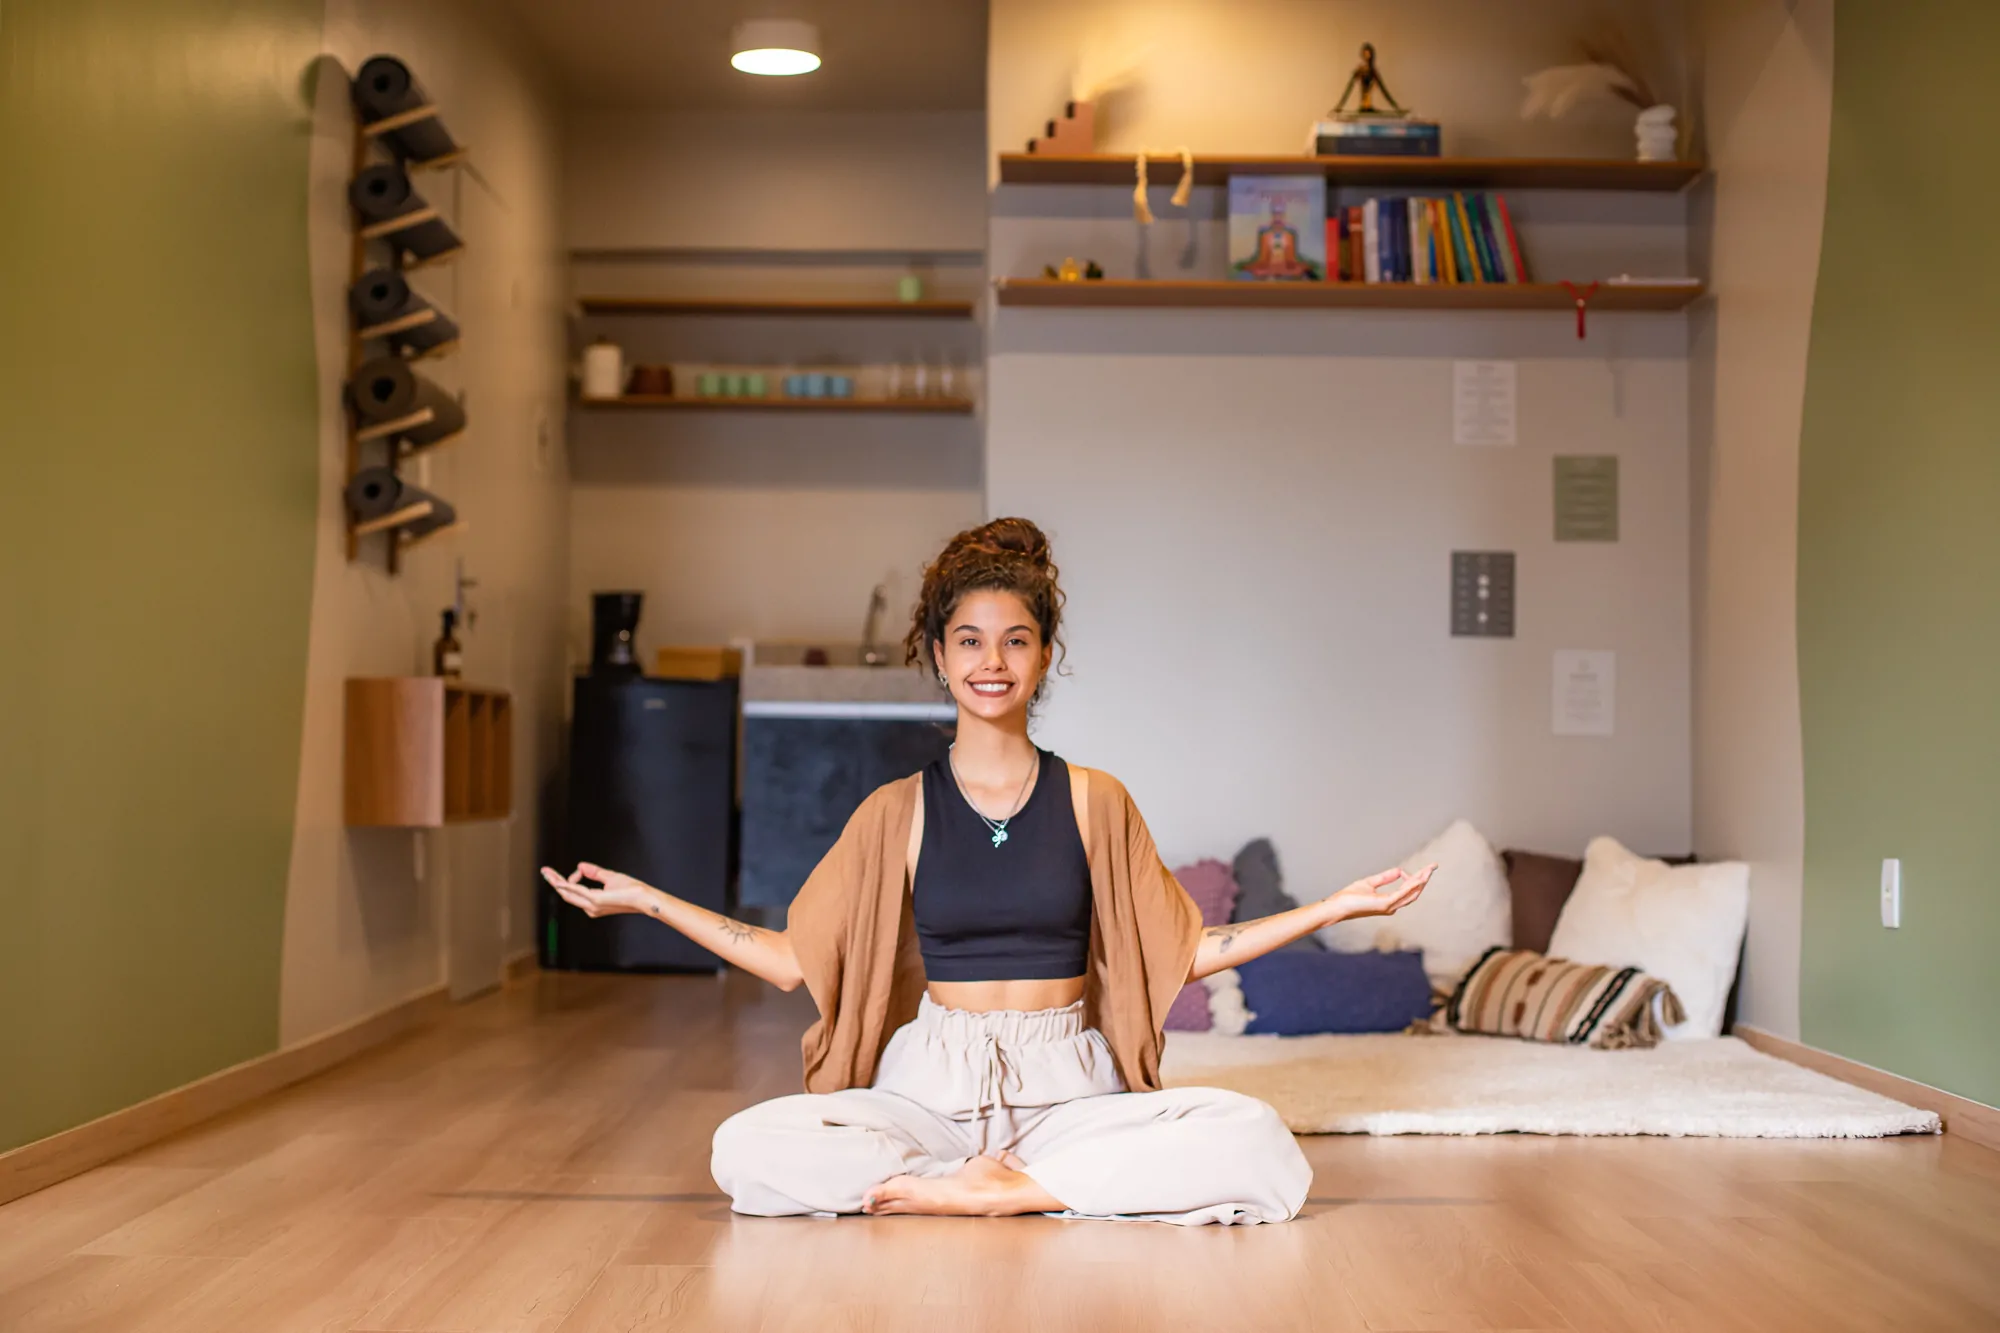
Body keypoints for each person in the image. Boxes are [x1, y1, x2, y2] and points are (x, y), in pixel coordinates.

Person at [542, 518, 1432, 1225]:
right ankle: (988, 1178)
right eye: (969, 641)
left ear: (1045, 656)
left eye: (1014, 640)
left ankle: (1014, 1187)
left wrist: (1336, 905)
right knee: (746, 1145)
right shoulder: (897, 809)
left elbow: (1188, 949)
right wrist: (646, 899)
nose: (991, 663)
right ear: (938, 654)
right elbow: (788, 960)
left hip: (1069, 1087)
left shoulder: (1095, 799)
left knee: (1256, 1140)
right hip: (928, 1086)